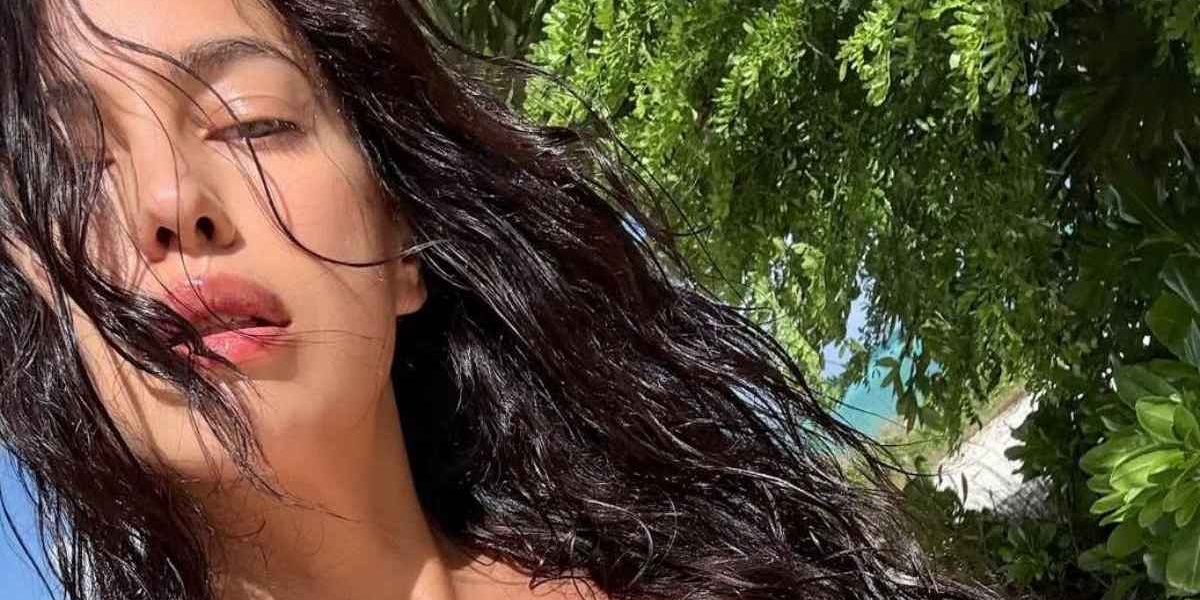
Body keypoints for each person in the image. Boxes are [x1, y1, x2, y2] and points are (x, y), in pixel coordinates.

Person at [0, 1, 996, 599]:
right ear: (44, 302)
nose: (172, 204)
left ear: (403, 244)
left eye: (251, 121)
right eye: (76, 172)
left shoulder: (721, 571)